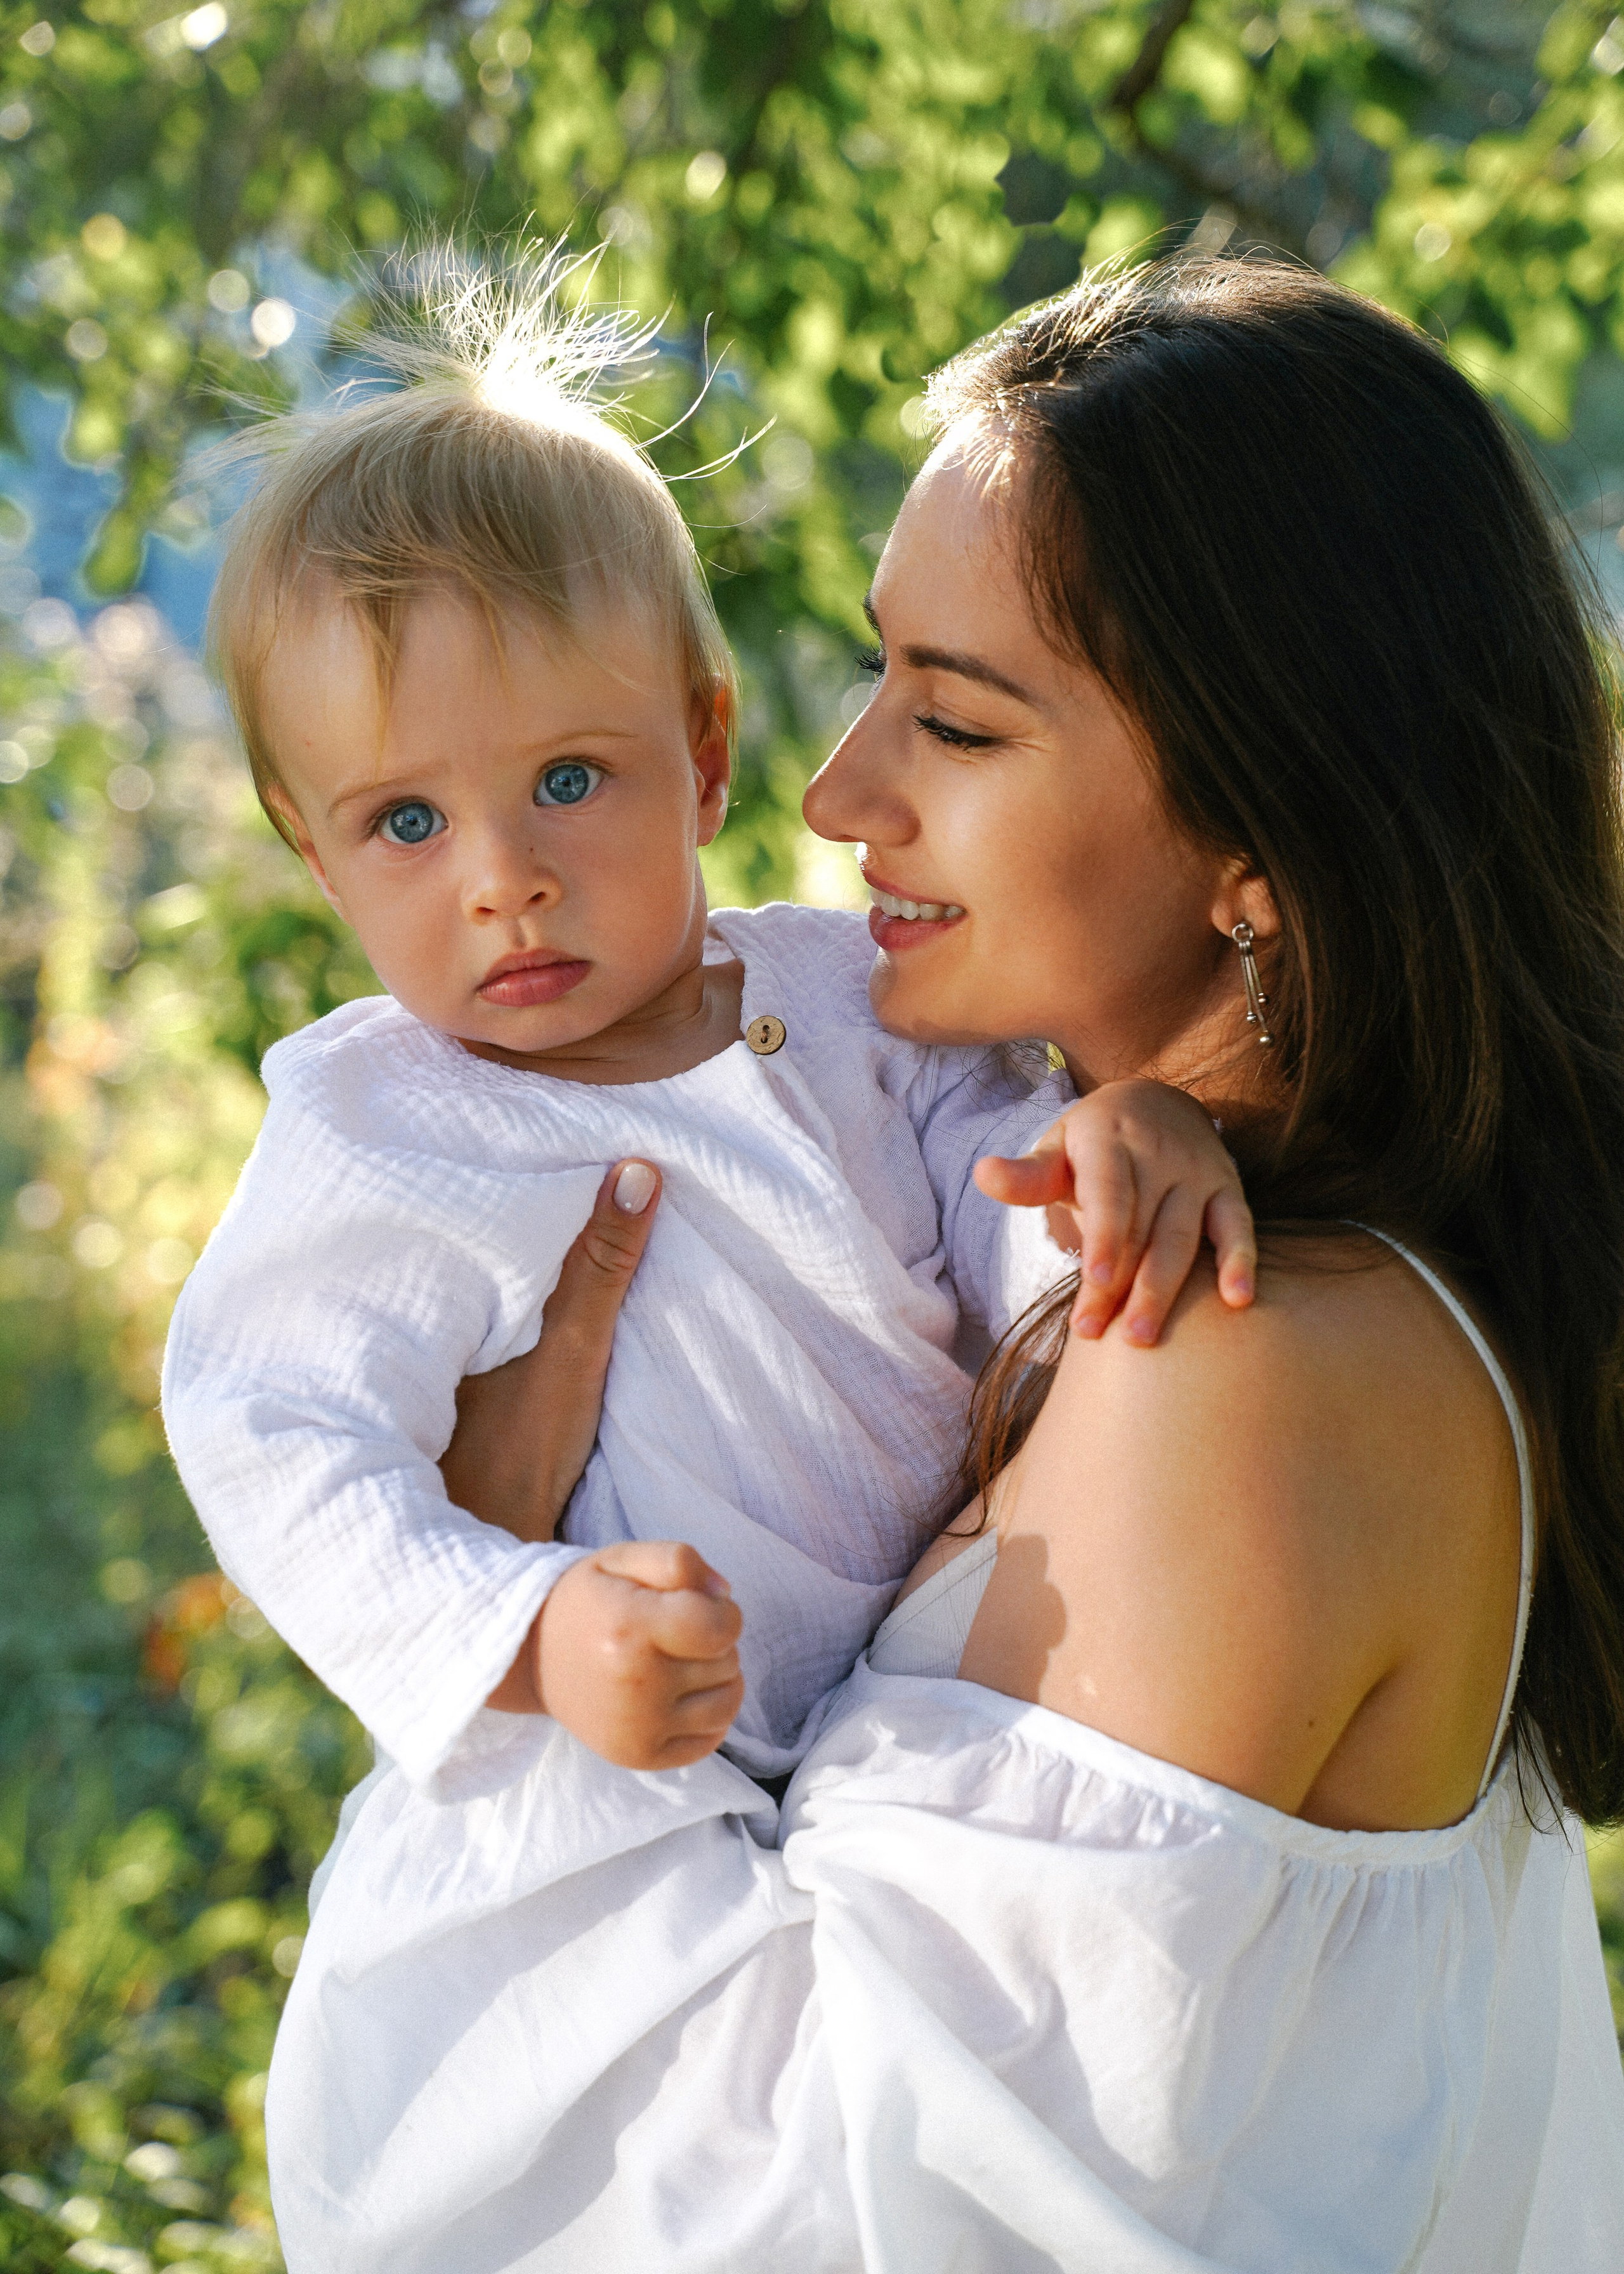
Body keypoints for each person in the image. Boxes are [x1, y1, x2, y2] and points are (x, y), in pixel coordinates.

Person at [266, 254, 1624, 2273]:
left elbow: (834, 2227)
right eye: (877, 678)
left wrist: (504, 1672)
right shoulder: (1140, 1265)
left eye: (958, 721)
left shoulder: (1237, 1363)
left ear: (1261, 837)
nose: (831, 798)